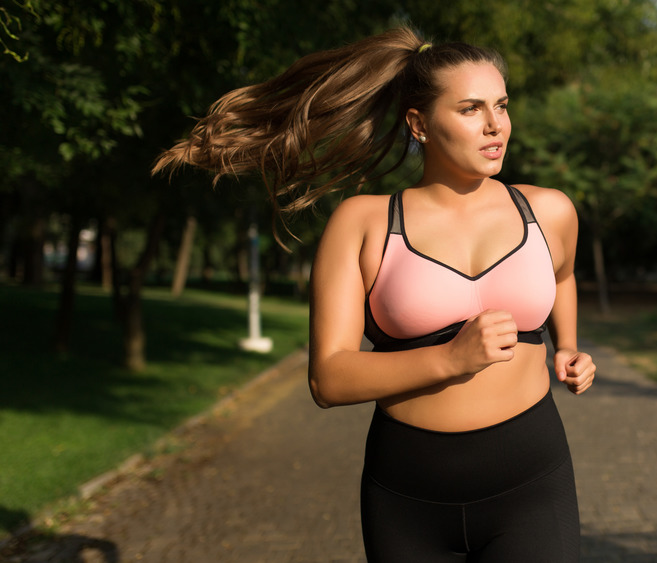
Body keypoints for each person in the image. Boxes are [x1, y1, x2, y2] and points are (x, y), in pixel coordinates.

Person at [153, 26, 596, 562]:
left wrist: (567, 344)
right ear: (419, 123)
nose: (495, 125)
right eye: (471, 109)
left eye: (501, 105)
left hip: (531, 484)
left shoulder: (548, 211)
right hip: (408, 500)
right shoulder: (363, 224)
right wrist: (451, 358)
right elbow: (328, 378)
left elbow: (564, 275)